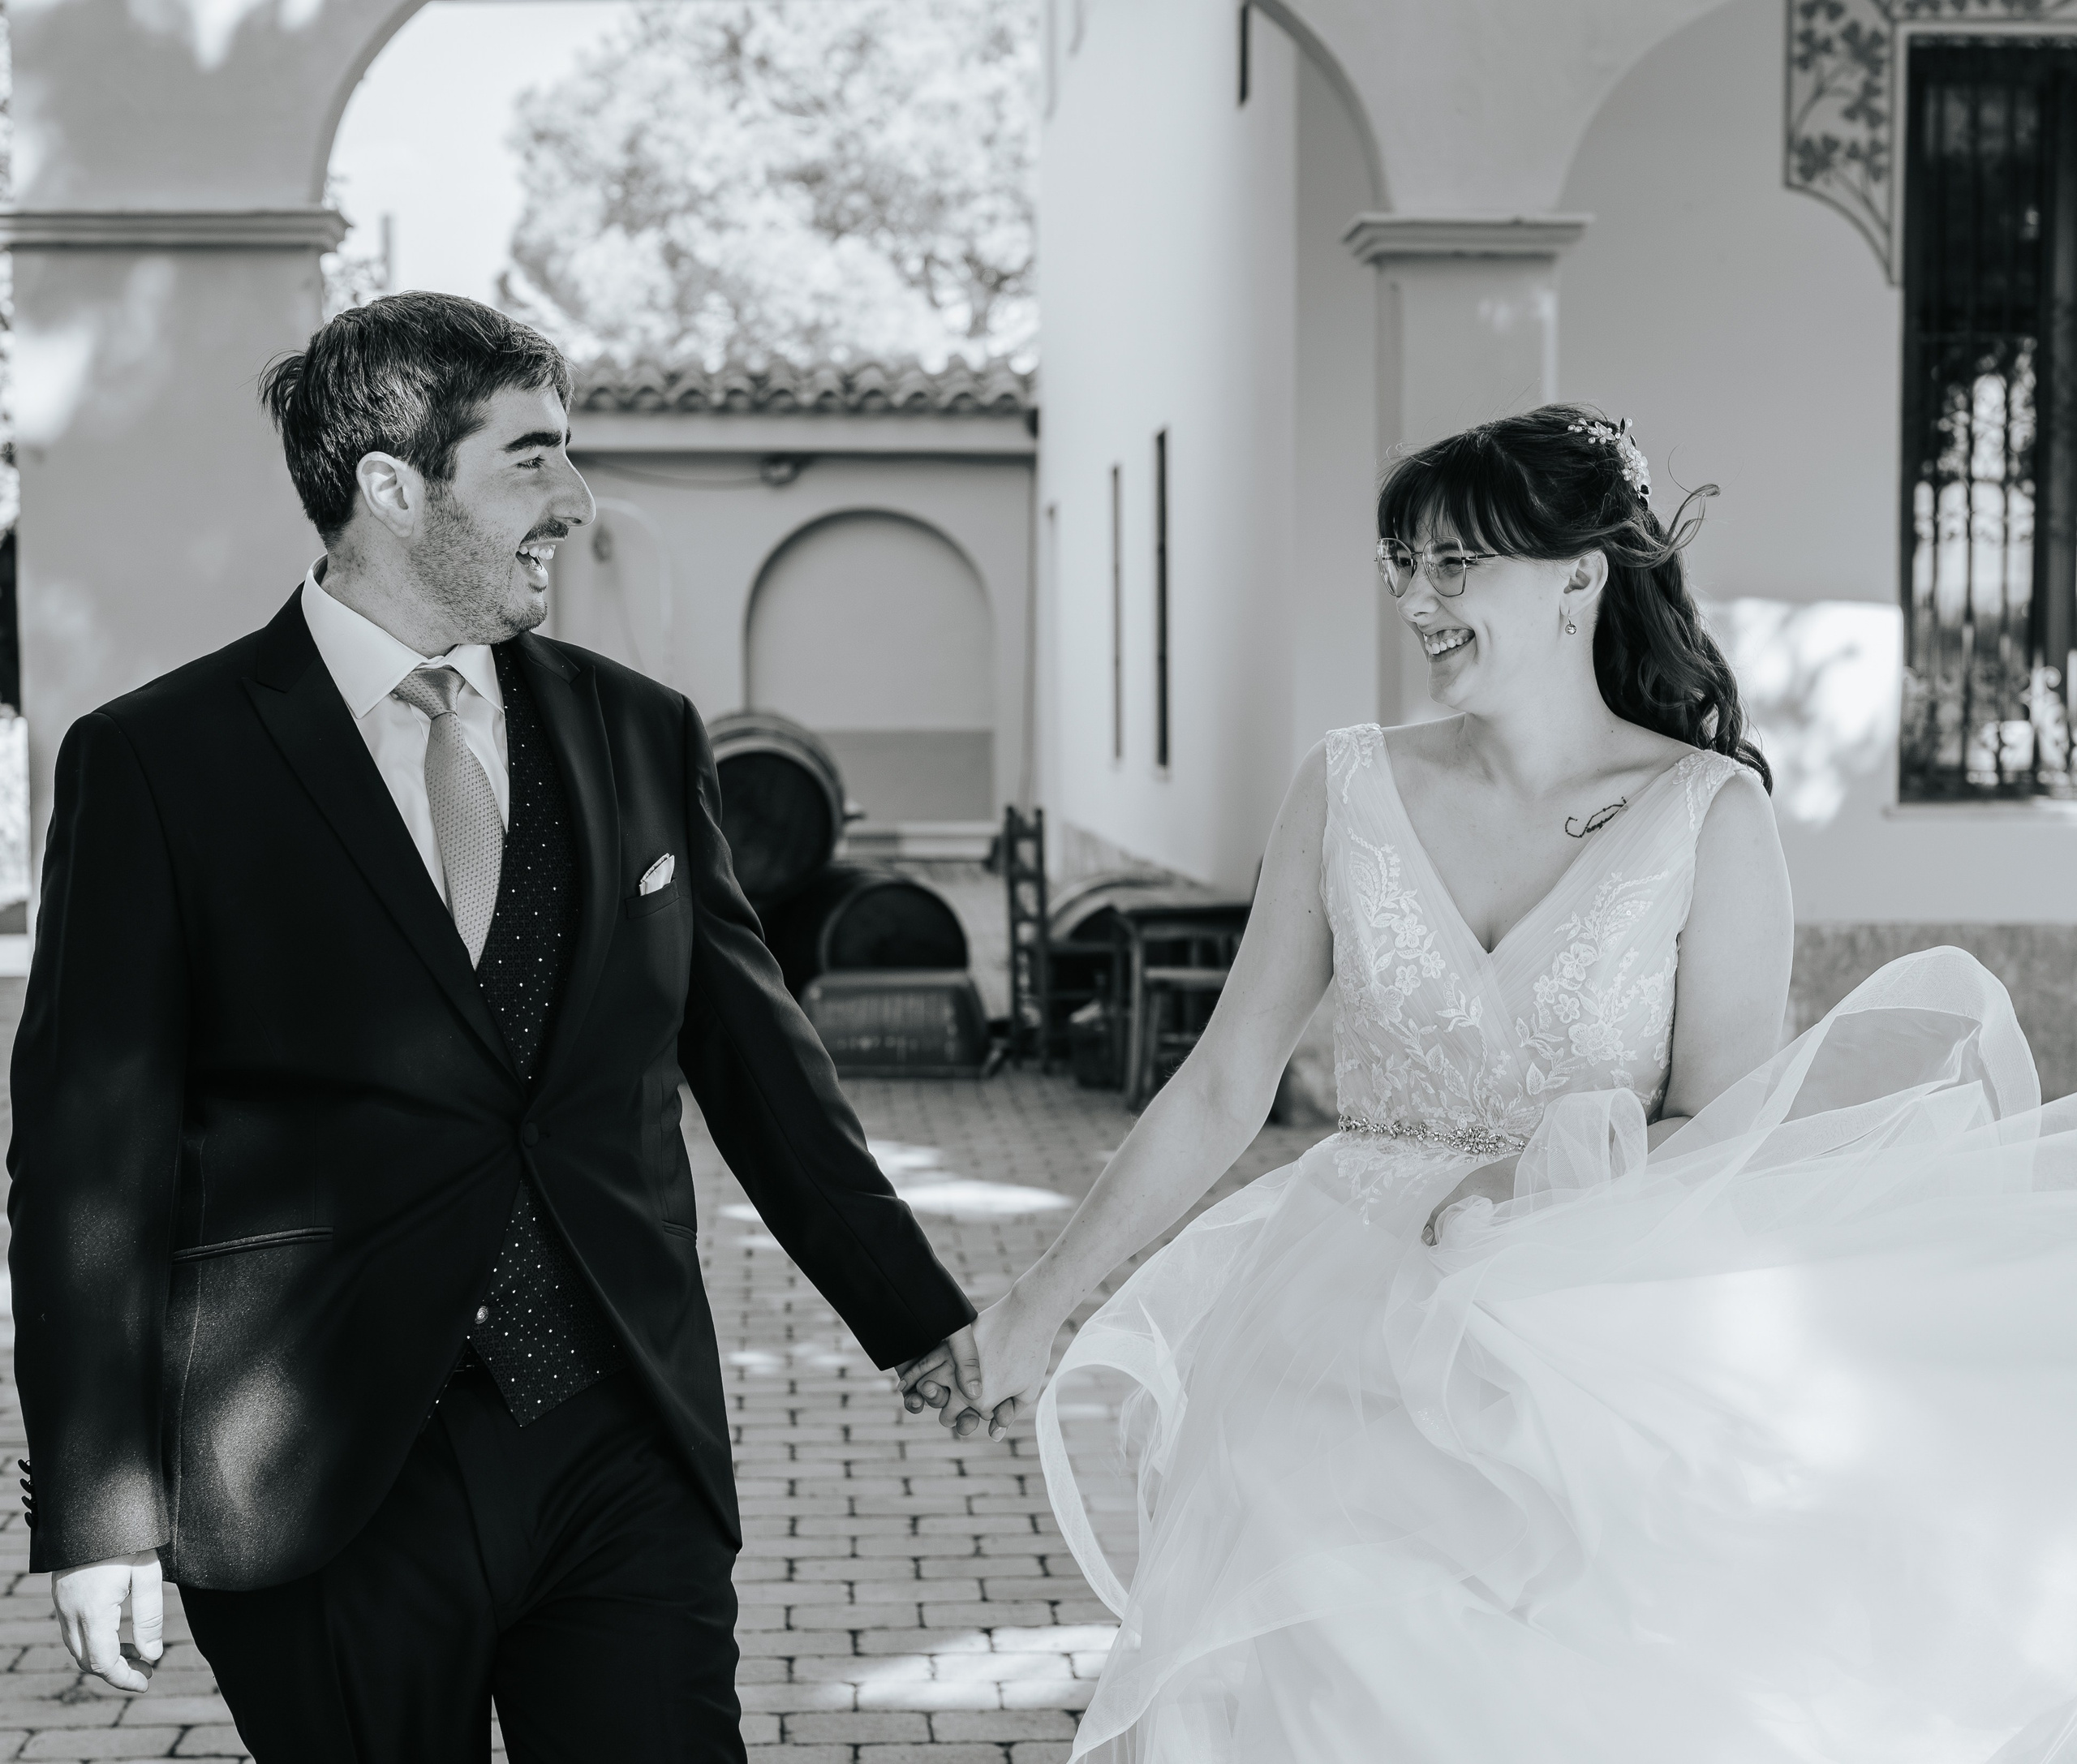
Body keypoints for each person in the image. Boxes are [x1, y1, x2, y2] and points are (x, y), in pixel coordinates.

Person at [903, 406, 2077, 1759]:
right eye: (1407, 564)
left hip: (1578, 1355)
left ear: (1582, 574)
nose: (1420, 598)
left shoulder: (1709, 814)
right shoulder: (1346, 785)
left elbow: (1722, 1127)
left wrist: (1530, 1176)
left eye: (1458, 564)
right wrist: (1034, 1311)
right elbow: (1224, 1084)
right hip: (1332, 1322)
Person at [9, 291, 983, 1762]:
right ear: (393, 487)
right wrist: (96, 1510)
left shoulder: (641, 733)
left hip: (617, 1438)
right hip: (322, 1470)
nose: (578, 504)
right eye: (533, 459)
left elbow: (758, 1061)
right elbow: (90, 1163)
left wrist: (918, 1315)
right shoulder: (160, 762)